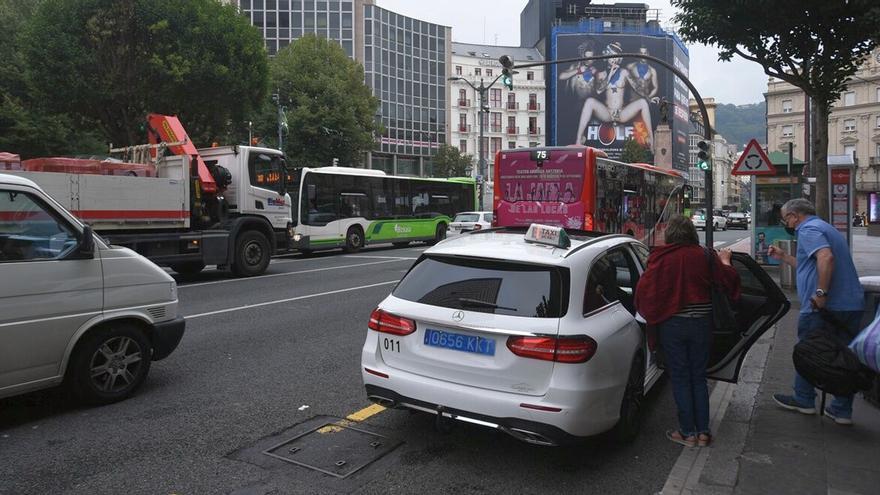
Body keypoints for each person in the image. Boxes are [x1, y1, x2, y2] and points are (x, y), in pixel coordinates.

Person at [635, 216, 741, 448]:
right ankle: (703, 432)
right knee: (698, 376)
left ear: (671, 234)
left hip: (672, 326)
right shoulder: (705, 255)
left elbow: (645, 292)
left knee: (681, 377)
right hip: (702, 324)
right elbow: (728, 280)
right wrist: (725, 261)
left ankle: (687, 433)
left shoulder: (661, 258)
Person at [769, 198, 864, 425]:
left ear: (795, 216)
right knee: (844, 356)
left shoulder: (809, 229)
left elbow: (825, 258)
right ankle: (841, 410)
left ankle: (804, 399)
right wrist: (784, 257)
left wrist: (820, 293)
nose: (786, 223)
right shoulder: (824, 227)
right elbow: (810, 263)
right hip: (849, 304)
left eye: (786, 219)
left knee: (809, 350)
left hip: (824, 307)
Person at [573, 41, 655, 148]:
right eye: (612, 56)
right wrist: (610, 74)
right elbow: (598, 90)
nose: (614, 59)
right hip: (607, 112)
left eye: (616, 57)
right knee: (589, 102)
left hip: (621, 113)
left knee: (643, 103)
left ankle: (651, 139)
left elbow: (637, 88)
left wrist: (649, 97)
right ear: (607, 56)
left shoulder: (624, 72)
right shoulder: (602, 74)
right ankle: (579, 139)